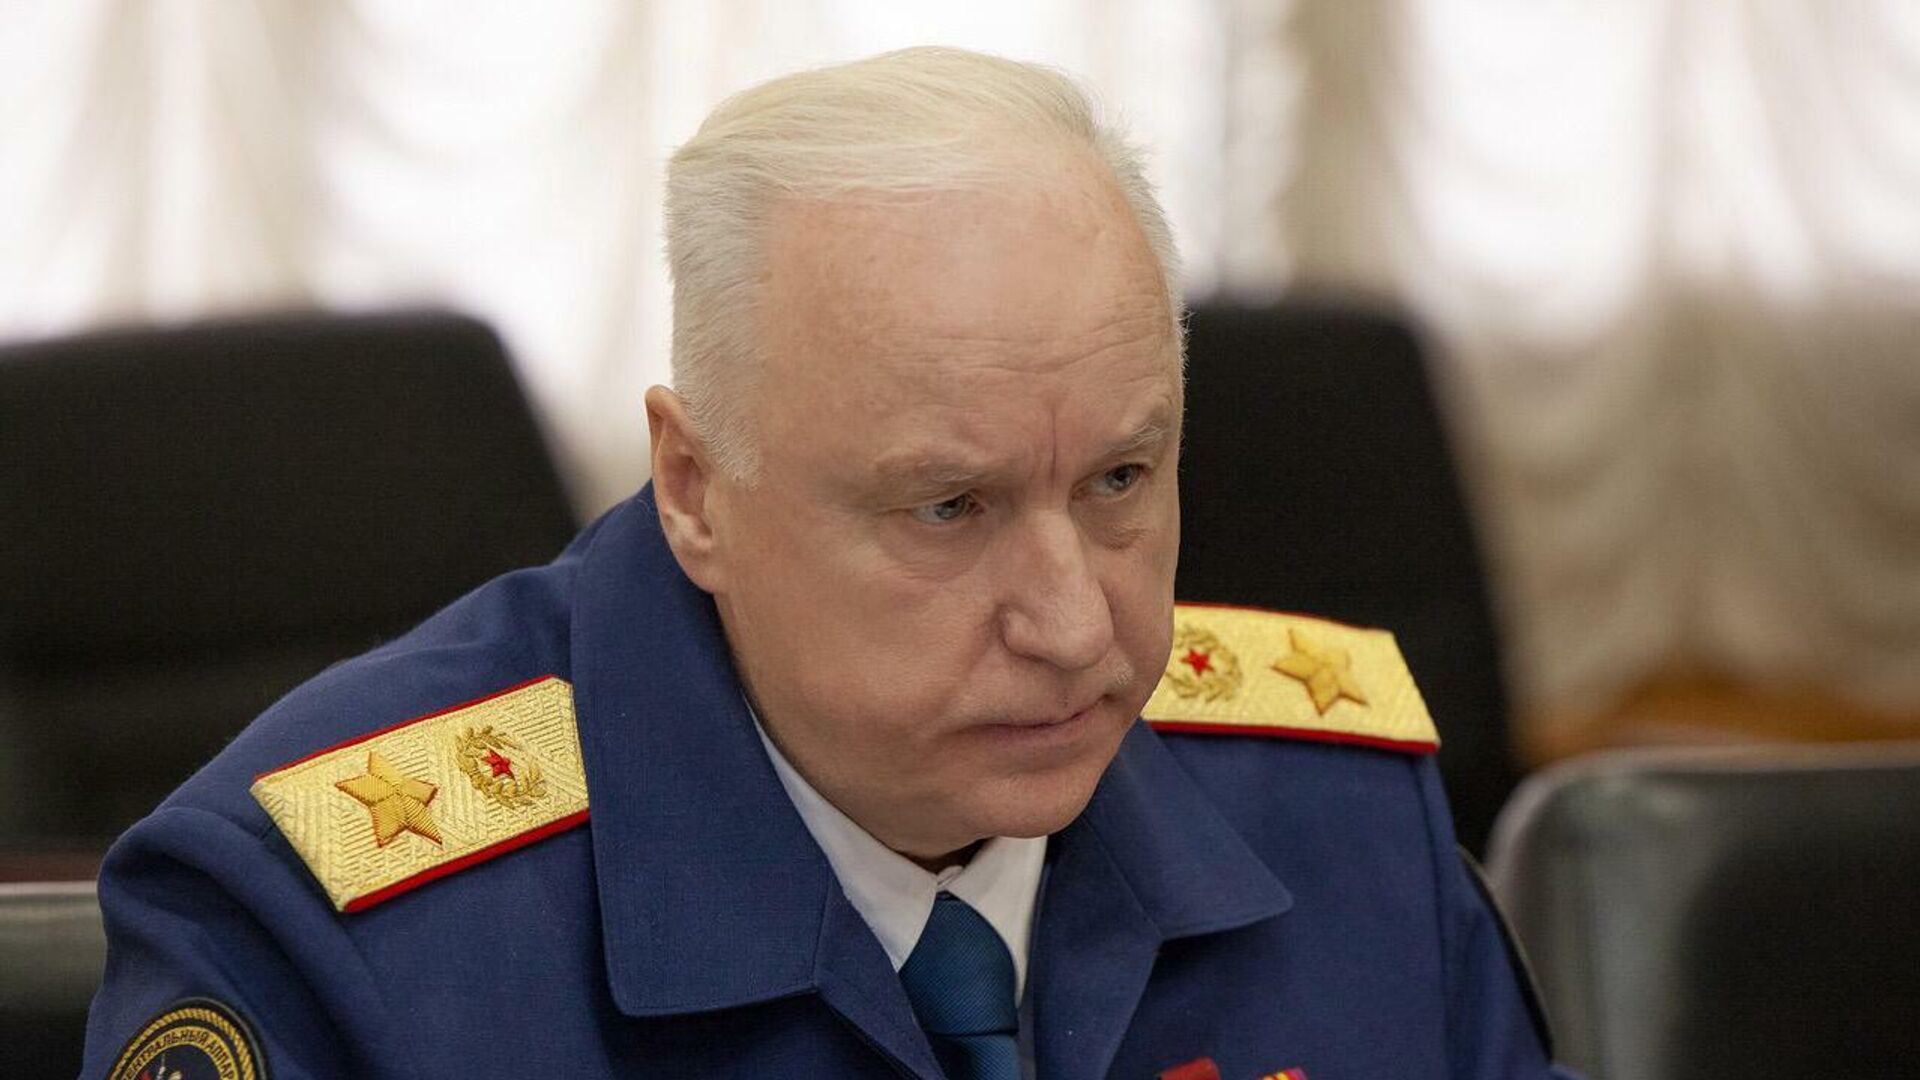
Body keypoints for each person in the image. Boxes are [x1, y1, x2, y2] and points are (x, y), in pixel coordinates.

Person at [81, 47, 1577, 1080]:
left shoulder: (1332, 810)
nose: (1076, 626)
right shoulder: (335, 924)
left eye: (1119, 481)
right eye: (949, 509)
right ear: (695, 491)